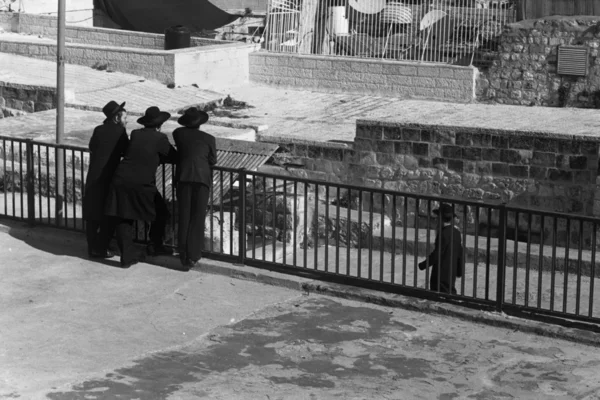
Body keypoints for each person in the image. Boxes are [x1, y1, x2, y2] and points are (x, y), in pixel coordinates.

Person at [104, 106, 177, 268]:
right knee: (161, 212)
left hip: (121, 178)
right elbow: (173, 156)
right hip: (141, 182)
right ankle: (155, 245)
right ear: (159, 125)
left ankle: (127, 256)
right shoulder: (160, 139)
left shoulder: (136, 134)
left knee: (124, 216)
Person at [82, 100, 129, 259]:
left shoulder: (98, 129)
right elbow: (126, 150)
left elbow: (92, 146)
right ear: (116, 118)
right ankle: (101, 247)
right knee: (109, 214)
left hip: (94, 176)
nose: (126, 122)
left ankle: (92, 248)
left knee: (93, 215)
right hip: (109, 177)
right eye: (124, 118)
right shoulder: (120, 132)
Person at [172, 107, 217, 269]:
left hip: (184, 177)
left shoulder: (178, 134)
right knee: (197, 217)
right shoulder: (209, 138)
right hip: (202, 178)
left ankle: (183, 253)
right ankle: (194, 254)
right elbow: (213, 160)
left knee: (184, 215)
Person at [418, 203, 464, 294]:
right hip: (451, 272)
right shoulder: (457, 233)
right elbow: (460, 253)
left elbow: (437, 254)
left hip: (440, 275)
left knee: (440, 295)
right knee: (450, 293)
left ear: (440, 219)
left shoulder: (443, 234)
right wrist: (459, 270)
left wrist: (423, 265)